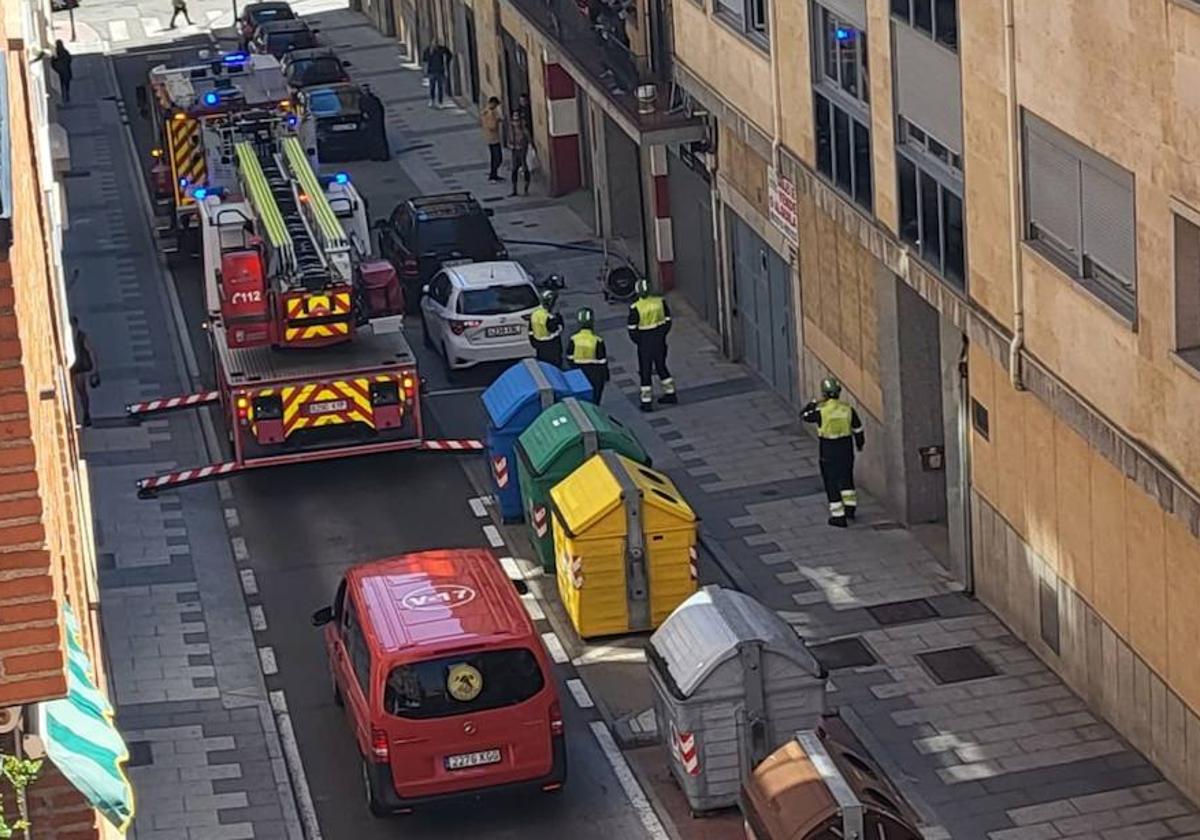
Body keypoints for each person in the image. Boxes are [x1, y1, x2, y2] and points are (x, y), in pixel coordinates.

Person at [800, 377, 864, 528]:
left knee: (832, 482)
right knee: (847, 477)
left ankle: (838, 516)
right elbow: (858, 429)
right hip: (846, 449)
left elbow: (803, 415)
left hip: (828, 450)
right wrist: (860, 445)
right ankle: (850, 509)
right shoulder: (848, 409)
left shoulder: (821, 412)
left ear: (825, 394)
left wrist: (814, 402)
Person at [627, 278, 675, 411]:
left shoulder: (635, 307)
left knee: (645, 371)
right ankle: (670, 394)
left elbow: (632, 330)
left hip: (645, 343)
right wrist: (661, 335)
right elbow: (668, 321)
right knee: (661, 366)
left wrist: (640, 342)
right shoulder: (660, 302)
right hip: (659, 340)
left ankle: (646, 402)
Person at [567, 307, 609, 403]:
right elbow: (602, 362)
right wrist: (606, 376)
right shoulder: (597, 340)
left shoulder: (574, 339)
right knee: (595, 399)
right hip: (595, 374)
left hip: (578, 372)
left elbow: (569, 358)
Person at [69, 316, 99, 427]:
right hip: (73, 367)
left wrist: (95, 369)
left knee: (81, 390)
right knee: (75, 391)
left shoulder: (81, 337)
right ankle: (81, 414)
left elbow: (91, 350)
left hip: (79, 366)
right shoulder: (69, 337)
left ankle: (86, 414)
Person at [528, 289, 563, 367]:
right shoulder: (549, 317)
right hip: (551, 346)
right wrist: (559, 319)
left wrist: (534, 342)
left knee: (543, 366)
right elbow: (557, 330)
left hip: (539, 346)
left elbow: (530, 331)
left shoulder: (535, 314)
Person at [360, 85, 389, 161]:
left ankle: (383, 155)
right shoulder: (361, 100)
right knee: (371, 138)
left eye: (366, 90)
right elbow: (361, 110)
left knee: (379, 137)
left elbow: (379, 110)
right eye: (364, 90)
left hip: (376, 122)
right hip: (369, 122)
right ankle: (375, 155)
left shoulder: (374, 99)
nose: (365, 91)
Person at [481, 96, 503, 182]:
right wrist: (498, 120)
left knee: (494, 158)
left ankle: (494, 174)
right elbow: (492, 126)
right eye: (496, 105)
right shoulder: (491, 113)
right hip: (493, 138)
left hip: (490, 138)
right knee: (498, 158)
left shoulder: (486, 111)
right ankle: (493, 174)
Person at [509, 111, 531, 196]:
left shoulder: (524, 129)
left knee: (525, 168)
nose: (516, 122)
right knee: (514, 169)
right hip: (515, 151)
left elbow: (528, 139)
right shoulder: (511, 129)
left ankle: (526, 189)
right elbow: (509, 140)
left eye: (517, 120)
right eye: (514, 120)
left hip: (523, 150)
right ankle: (514, 190)